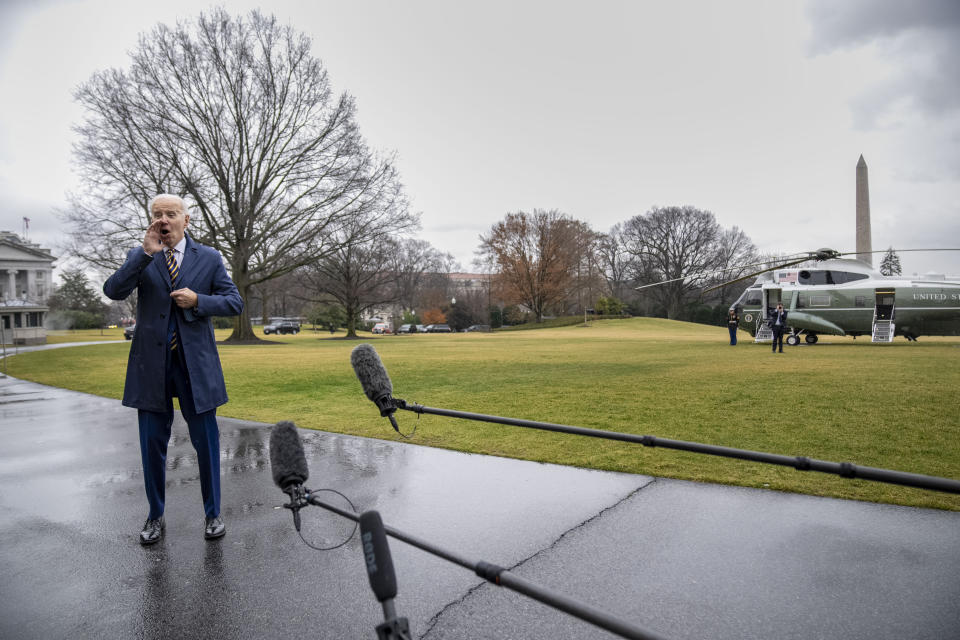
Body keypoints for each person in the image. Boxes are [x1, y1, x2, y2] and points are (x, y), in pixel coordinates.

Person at [104, 194, 243, 545]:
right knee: (152, 446)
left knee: (207, 444)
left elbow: (234, 302)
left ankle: (213, 514)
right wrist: (144, 253)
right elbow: (112, 290)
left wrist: (199, 301)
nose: (163, 219)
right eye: (157, 214)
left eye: (170, 213)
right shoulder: (142, 257)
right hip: (151, 368)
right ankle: (154, 516)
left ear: (186, 219)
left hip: (195, 367)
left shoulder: (208, 258)